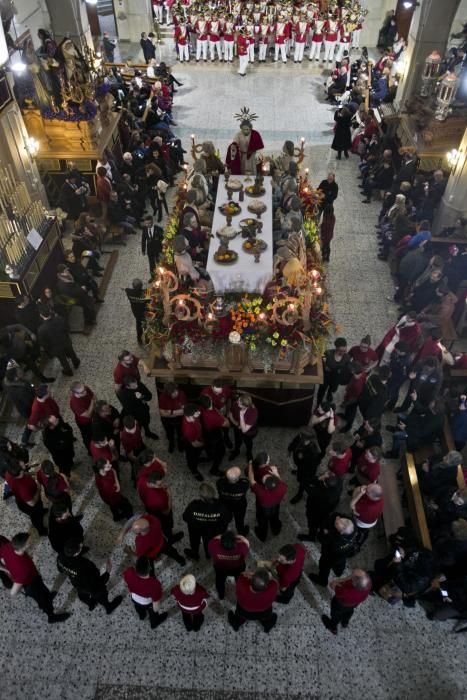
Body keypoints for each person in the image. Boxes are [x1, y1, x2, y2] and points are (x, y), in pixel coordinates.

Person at [0, 533, 70, 624]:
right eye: (30, 541)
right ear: (23, 547)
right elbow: (13, 592)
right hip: (31, 584)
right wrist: (17, 582)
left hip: (33, 577)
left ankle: (47, 597)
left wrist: (7, 570)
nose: (33, 540)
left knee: (44, 592)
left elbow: (2, 559)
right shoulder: (22, 570)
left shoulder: (7, 546)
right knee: (43, 600)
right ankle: (51, 616)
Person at [57, 538, 123, 614]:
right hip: (92, 587)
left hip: (77, 584)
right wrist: (107, 572)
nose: (82, 544)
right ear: (76, 553)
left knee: (83, 595)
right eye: (80, 546)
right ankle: (108, 607)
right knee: (101, 594)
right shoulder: (84, 565)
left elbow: (60, 570)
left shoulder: (60, 557)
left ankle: (91, 604)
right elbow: (98, 582)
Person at [183, 483, 231, 560]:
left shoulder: (193, 506)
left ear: (201, 497)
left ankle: (195, 553)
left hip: (196, 529)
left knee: (194, 542)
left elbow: (185, 518)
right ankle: (209, 555)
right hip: (213, 531)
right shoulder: (221, 506)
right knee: (209, 543)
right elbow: (228, 519)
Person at [308, 513, 359, 586]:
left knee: (324, 566)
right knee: (341, 561)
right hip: (344, 551)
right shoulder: (352, 526)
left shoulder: (334, 539)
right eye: (340, 519)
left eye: (336, 523)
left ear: (340, 532)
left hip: (330, 555)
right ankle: (339, 571)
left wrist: (325, 532)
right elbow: (339, 516)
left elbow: (321, 539)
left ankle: (322, 580)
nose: (337, 518)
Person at [136, 469, 183, 543]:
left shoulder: (142, 480)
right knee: (167, 525)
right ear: (151, 484)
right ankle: (170, 537)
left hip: (148, 508)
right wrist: (169, 495)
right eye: (159, 485)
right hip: (160, 511)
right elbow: (166, 512)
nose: (161, 486)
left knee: (156, 521)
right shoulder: (159, 499)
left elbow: (138, 492)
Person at [119, 514, 186, 566]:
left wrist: (129, 551)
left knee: (150, 565)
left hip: (152, 553)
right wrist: (122, 533)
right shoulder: (154, 520)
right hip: (161, 542)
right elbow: (134, 518)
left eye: (134, 530)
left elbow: (140, 558)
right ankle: (181, 560)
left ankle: (156, 559)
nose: (132, 530)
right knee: (172, 552)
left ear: (140, 532)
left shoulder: (140, 542)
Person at [321, 569, 372, 635]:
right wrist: (352, 577)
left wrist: (338, 581)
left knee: (336, 614)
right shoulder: (369, 583)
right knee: (349, 611)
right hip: (354, 603)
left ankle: (333, 626)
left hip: (340, 604)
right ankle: (345, 622)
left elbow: (332, 585)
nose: (351, 574)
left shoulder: (345, 591)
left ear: (354, 583)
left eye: (352, 576)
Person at [228, 568, 278, 633]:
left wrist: (252, 574)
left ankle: (236, 625)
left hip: (243, 610)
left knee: (239, 618)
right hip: (264, 612)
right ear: (266, 586)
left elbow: (242, 574)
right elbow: (275, 582)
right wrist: (270, 576)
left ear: (251, 580)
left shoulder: (242, 582)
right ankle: (267, 627)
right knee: (266, 619)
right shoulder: (272, 588)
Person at [123, 556, 167, 628]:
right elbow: (155, 603)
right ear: (150, 568)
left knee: (138, 608)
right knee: (152, 613)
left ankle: (142, 615)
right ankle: (154, 623)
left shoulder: (129, 572)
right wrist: (155, 611)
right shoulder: (155, 584)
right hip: (147, 603)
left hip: (134, 599)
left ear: (136, 567)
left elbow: (127, 580)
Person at [5, 461, 48, 535]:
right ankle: (41, 531)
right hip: (29, 504)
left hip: (23, 497)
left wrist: (34, 473)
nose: (25, 465)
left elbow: (24, 474)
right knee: (36, 518)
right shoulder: (23, 488)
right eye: (22, 467)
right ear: (20, 472)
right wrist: (38, 488)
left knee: (39, 508)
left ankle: (41, 511)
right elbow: (32, 503)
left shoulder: (9, 473)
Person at [248, 460, 287, 542]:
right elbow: (280, 480)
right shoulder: (282, 487)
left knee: (262, 521)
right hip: (276, 506)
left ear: (265, 487)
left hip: (263, 509)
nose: (265, 476)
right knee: (275, 518)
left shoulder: (260, 491)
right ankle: (276, 530)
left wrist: (250, 465)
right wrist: (275, 473)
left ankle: (262, 535)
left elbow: (251, 479)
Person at [298, 471, 343, 542]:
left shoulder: (318, 493)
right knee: (323, 522)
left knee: (312, 524)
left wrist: (319, 478)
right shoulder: (339, 482)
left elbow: (304, 482)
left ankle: (311, 536)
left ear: (325, 484)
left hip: (315, 511)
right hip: (329, 508)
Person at [208, 530, 250, 599]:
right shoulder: (242, 547)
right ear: (235, 542)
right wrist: (241, 537)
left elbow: (214, 539)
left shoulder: (213, 545)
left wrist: (221, 536)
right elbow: (247, 544)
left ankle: (221, 595)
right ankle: (240, 593)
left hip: (220, 568)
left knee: (220, 581)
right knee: (239, 580)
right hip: (238, 568)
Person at [116, 375, 158, 440]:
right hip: (134, 413)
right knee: (138, 427)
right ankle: (139, 439)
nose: (136, 386)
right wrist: (134, 419)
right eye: (133, 386)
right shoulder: (123, 394)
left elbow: (149, 396)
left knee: (146, 422)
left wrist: (142, 397)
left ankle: (147, 432)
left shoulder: (138, 384)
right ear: (127, 386)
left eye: (136, 383)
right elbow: (128, 408)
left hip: (143, 409)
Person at [2, 367, 35, 447]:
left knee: (31, 422)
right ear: (15, 377)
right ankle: (24, 441)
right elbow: (29, 402)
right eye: (19, 372)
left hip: (24, 407)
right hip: (27, 408)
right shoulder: (19, 391)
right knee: (32, 422)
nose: (21, 371)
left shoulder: (10, 383)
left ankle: (24, 441)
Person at [287, 427, 322, 504]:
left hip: (306, 470)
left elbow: (310, 466)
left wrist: (298, 467)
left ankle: (300, 494)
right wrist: (289, 449)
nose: (299, 435)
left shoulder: (312, 451)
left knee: (302, 482)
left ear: (307, 439)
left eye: (300, 435)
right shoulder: (301, 437)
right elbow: (294, 442)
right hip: (300, 465)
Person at [199, 394, 228, 477]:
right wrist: (221, 415)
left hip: (205, 434)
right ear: (210, 401)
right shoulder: (214, 416)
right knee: (221, 452)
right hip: (214, 436)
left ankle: (209, 457)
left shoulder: (200, 408)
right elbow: (227, 424)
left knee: (209, 449)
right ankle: (214, 470)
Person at [216, 466, 250, 536]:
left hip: (225, 505)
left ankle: (222, 531)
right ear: (237, 479)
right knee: (239, 521)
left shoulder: (220, 483)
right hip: (239, 506)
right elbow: (245, 481)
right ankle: (241, 532)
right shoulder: (244, 485)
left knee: (225, 519)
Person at [317, 337, 350, 405]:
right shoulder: (328, 353)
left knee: (333, 389)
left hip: (336, 378)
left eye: (344, 350)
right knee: (321, 391)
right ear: (336, 348)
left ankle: (329, 394)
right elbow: (321, 362)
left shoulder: (347, 357)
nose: (343, 353)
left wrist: (342, 371)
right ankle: (318, 403)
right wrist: (325, 366)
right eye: (341, 351)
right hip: (326, 376)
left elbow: (346, 367)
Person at [228, 393, 258, 462]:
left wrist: (241, 414)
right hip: (238, 427)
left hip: (249, 432)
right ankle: (236, 451)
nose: (237, 402)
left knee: (248, 442)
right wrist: (236, 424)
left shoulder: (253, 412)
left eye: (240, 403)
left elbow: (244, 430)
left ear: (245, 406)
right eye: (238, 400)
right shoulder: (236, 403)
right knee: (237, 441)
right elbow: (230, 414)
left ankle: (249, 453)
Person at [158, 382, 186, 453]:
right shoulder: (162, 397)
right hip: (167, 421)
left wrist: (169, 412)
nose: (176, 394)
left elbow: (183, 411)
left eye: (176, 391)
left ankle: (180, 443)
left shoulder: (181, 393)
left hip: (180, 419)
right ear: (168, 393)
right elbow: (162, 414)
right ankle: (171, 443)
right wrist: (175, 412)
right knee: (169, 434)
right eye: (173, 393)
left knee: (180, 433)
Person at [69, 382, 95, 453]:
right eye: (82, 392)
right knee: (88, 437)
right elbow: (88, 415)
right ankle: (91, 451)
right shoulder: (74, 403)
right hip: (84, 422)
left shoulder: (84, 389)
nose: (85, 392)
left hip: (93, 414)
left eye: (84, 389)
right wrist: (92, 402)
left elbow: (93, 395)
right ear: (75, 393)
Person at [182, 403, 204, 480]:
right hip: (191, 444)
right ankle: (194, 470)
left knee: (195, 455)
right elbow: (195, 444)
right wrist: (203, 444)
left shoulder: (192, 416)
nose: (199, 413)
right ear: (190, 416)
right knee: (192, 458)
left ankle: (196, 460)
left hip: (197, 439)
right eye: (197, 412)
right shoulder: (189, 429)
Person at [124, 279, 149, 345]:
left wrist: (125, 288)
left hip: (136, 314)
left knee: (138, 326)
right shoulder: (146, 292)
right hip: (145, 314)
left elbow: (126, 289)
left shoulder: (130, 293)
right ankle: (147, 339)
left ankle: (139, 339)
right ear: (141, 286)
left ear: (133, 286)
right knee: (146, 326)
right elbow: (149, 301)